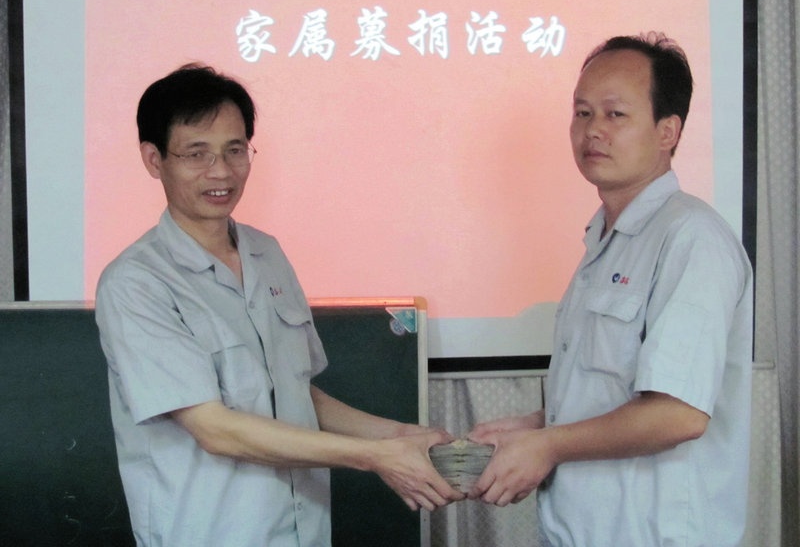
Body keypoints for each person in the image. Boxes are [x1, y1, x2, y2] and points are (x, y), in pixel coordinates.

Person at [95, 63, 462, 547]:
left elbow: (295, 393)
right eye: (197, 154)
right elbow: (215, 429)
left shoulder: (266, 253)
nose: (221, 171)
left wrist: (397, 436)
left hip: (302, 530)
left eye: (234, 150)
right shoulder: (136, 282)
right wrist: (373, 457)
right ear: (153, 159)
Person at [468, 33, 753, 547]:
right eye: (582, 113)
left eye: (615, 114)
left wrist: (549, 446)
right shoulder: (604, 239)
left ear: (668, 131)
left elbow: (678, 413)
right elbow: (614, 394)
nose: (593, 130)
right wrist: (538, 428)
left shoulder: (691, 238)